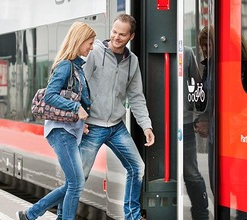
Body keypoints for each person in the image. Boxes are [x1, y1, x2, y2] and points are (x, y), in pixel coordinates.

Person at [60, 14, 154, 220]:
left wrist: (146, 126)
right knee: (78, 178)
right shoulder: (95, 53)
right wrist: (79, 118)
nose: (116, 37)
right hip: (92, 126)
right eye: (114, 32)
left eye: (122, 34)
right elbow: (78, 84)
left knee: (137, 168)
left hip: (116, 127)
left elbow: (136, 97)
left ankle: (133, 216)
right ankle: (60, 215)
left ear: (131, 36)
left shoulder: (132, 62)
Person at [15, 21, 95, 220]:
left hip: (69, 131)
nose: (91, 47)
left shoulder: (77, 67)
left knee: (71, 183)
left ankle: (30, 214)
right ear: (79, 41)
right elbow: (50, 95)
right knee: (76, 184)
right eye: (90, 43)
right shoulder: (65, 66)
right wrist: (76, 108)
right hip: (61, 132)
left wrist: (81, 123)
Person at [184, 46, 209, 219]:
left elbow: (197, 87)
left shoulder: (186, 53)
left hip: (184, 123)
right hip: (156, 124)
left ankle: (201, 214)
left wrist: (199, 118)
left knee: (191, 172)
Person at [194, 26, 215, 195]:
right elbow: (206, 100)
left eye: (208, 43)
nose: (206, 49)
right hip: (214, 135)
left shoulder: (240, 66)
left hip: (230, 135)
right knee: (215, 184)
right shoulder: (208, 66)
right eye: (203, 45)